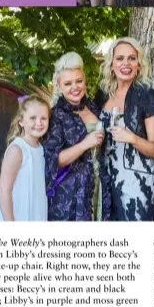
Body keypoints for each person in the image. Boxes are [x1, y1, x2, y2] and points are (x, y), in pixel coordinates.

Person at [94, 38, 154, 220]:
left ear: (139, 65)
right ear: (111, 64)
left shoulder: (147, 95)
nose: (126, 63)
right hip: (107, 179)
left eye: (132, 58)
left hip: (137, 184)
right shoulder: (102, 94)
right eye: (120, 58)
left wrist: (131, 138)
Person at [44, 52, 111, 221]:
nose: (75, 87)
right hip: (70, 193)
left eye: (79, 81)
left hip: (98, 184)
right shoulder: (55, 116)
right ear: (58, 85)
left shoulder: (93, 107)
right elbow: (55, 160)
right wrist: (84, 144)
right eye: (68, 83)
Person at [0, 95, 50, 222]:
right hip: (16, 217)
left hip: (35, 214)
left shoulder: (41, 148)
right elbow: (4, 190)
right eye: (32, 118)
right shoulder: (17, 149)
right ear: (21, 121)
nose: (38, 123)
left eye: (44, 118)